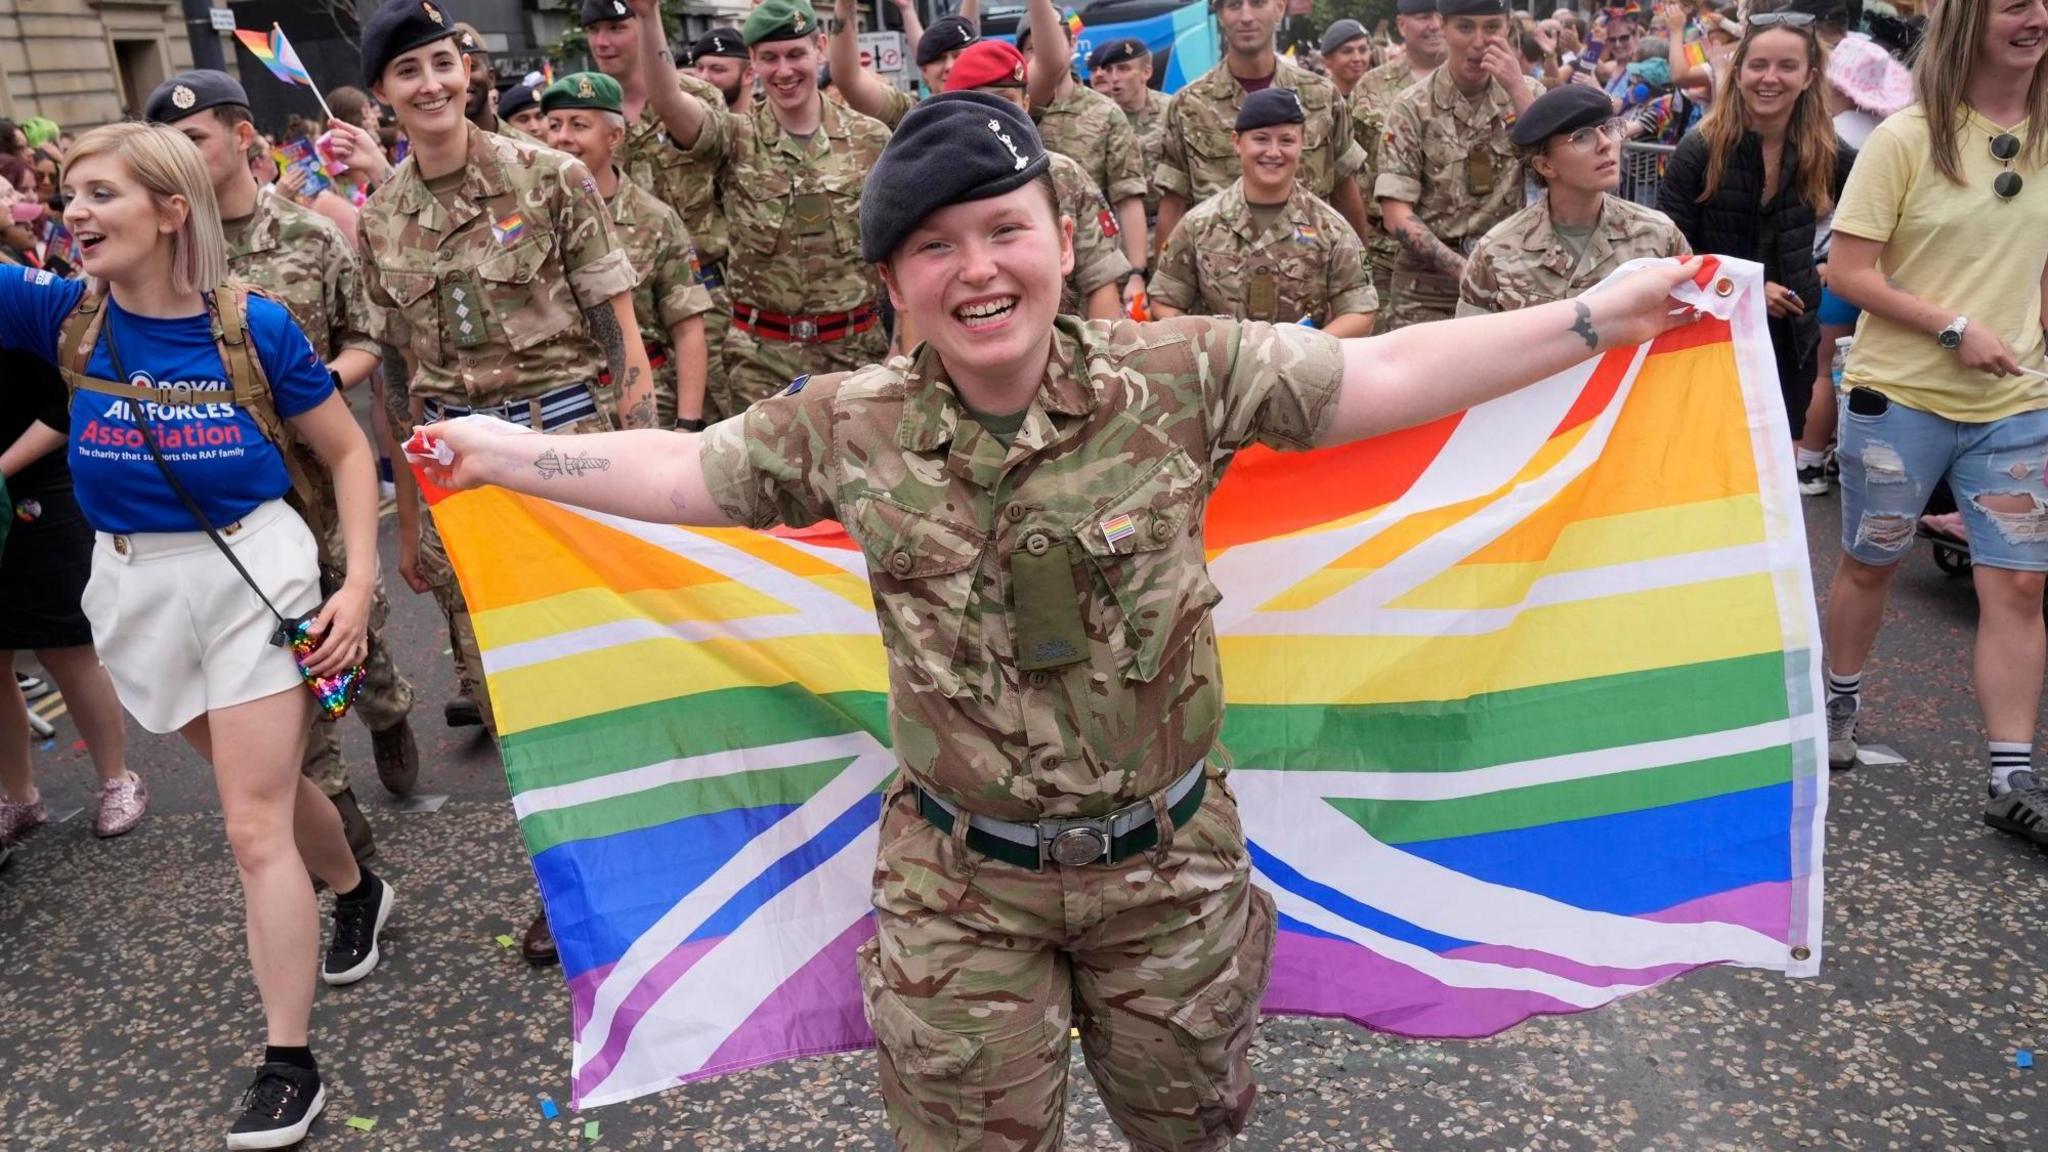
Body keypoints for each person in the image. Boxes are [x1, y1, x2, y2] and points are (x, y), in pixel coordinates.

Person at [412, 90, 1700, 1152]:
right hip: (961, 889)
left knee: (1192, 1131)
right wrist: (501, 452)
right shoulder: (843, 423)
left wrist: (1599, 317)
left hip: (1171, 875)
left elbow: (1388, 372)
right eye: (934, 247)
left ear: (1062, 238)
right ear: (892, 285)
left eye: (1002, 229)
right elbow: (681, 477)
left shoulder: (1178, 372)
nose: (976, 269)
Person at [4, 121, 391, 1148]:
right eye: (65, 194)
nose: (73, 212)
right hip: (130, 584)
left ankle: (288, 1063)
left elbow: (350, 455)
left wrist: (353, 585)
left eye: (100, 194)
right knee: (249, 779)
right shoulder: (62, 318)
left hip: (253, 572)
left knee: (250, 824)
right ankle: (358, 883)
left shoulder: (253, 326)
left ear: (170, 209)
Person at [354, 0, 654, 966]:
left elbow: (626, 347)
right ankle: (562, 887)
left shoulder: (553, 176)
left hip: (570, 466)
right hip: (462, 498)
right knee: (509, 700)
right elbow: (397, 385)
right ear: (386, 96)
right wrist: (408, 522)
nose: (431, 85)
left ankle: (632, 864)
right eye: (409, 73)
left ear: (468, 71)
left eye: (442, 64)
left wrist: (645, 480)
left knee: (602, 680)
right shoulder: (381, 219)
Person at [147, 70, 424, 859]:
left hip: (321, 483)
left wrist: (312, 388)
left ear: (242, 139)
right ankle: (331, 798)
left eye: (193, 139)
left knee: (349, 625)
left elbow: (371, 339)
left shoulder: (310, 236)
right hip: (228, 495)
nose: (179, 156)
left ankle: (387, 705)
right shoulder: (162, 256)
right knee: (276, 647)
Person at [1819, 0, 2048, 841]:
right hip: (1900, 394)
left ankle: (2013, 777)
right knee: (1872, 561)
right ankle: (1839, 703)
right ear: (1969, 21)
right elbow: (1849, 269)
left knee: (2021, 585)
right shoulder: (1907, 137)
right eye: (2016, 5)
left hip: (2016, 399)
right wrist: (1954, 327)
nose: (2038, 18)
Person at [629, 0, 892, 417]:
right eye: (769, 58)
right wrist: (648, 17)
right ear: (753, 61)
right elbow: (668, 101)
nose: (784, 71)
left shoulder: (871, 138)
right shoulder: (735, 138)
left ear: (819, 48)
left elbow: (899, 247)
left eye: (795, 54)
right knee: (766, 480)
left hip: (857, 352)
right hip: (762, 359)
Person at [1656, 9, 1849, 442]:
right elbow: (1667, 248)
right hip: (1709, 333)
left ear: (1808, 76)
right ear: (1738, 71)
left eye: (1787, 66)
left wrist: (1835, 268)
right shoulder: (1701, 148)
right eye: (1759, 64)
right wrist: (1742, 288)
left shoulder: (1826, 150)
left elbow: (1883, 212)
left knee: (1778, 467)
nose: (1770, 78)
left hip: (1790, 339)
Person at [1, 350, 140, 849]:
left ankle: (117, 779)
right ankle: (19, 796)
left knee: (67, 648)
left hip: (40, 489)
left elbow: (62, 407)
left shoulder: (13, 301)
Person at [581, 0, 736, 419]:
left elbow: (717, 161)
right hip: (630, 313)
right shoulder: (582, 112)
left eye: (615, 27)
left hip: (707, 300)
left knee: (726, 436)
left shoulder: (696, 96)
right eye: (593, 30)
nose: (602, 41)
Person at [542, 71, 714, 429]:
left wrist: (687, 424)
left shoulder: (654, 218)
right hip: (564, 412)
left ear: (614, 136)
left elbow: (688, 326)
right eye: (555, 124)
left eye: (578, 125)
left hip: (646, 404)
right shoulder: (533, 217)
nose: (563, 138)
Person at [930, 39, 1131, 320]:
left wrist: (1101, 361)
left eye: (1004, 100)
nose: (992, 114)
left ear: (1025, 104)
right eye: (977, 101)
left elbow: (1101, 281)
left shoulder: (1063, 175)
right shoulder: (930, 183)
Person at [1151, 88, 1378, 335]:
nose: (1273, 152)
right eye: (1261, 139)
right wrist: (1211, 347)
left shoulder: (1330, 227)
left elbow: (1360, 309)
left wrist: (1304, 353)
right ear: (1237, 143)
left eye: (1286, 140)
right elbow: (1166, 300)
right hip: (1221, 370)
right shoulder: (1199, 224)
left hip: (1301, 371)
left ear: (1302, 143)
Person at [1376, 0, 1543, 330]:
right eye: (1465, 27)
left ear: (1508, 27)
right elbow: (1396, 212)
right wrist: (1463, 268)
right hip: (1428, 291)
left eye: (1492, 27)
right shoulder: (1412, 107)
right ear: (1443, 26)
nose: (1479, 42)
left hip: (1508, 281)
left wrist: (1516, 88)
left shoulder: (1528, 94)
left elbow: (1553, 169)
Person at [1156, 0, 1370, 250]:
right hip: (1221, 275)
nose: (1246, 16)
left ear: (1279, 8)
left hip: (1309, 270)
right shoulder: (1188, 105)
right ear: (1221, 15)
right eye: (1234, 5)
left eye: (1257, 3)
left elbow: (1345, 191)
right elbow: (1174, 204)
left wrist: (1364, 273)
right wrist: (1163, 287)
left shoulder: (1322, 97)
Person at [1459, 84, 1689, 315]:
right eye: (1582, 137)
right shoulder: (1497, 252)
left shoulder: (1659, 235)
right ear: (1545, 165)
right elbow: (1470, 345)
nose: (1606, 144)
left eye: (1609, 128)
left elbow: (1691, 333)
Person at [1019, 0, 1148, 306]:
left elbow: (1127, 198)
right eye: (1030, 49)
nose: (1039, 54)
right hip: (1034, 274)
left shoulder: (1105, 114)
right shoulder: (1019, 114)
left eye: (1046, 43)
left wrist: (1136, 273)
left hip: (1095, 275)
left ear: (1071, 43)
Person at [1352, 0, 1451, 313]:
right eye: (1423, 16)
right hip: (1388, 254)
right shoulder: (1371, 86)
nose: (1434, 25)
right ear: (1401, 25)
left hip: (1463, 251)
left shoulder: (1474, 80)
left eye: (1440, 16)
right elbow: (1351, 172)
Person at [1087, 37, 1171, 240]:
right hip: (1123, 238)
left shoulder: (1172, 110)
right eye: (1109, 70)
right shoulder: (1095, 120)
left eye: (1123, 69)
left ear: (1146, 72)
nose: (1114, 78)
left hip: (1170, 229)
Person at [691, 26, 754, 113]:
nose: (703, 77)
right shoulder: (683, 124)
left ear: (748, 74)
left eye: (717, 69)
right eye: (700, 68)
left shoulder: (773, 122)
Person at [914, 12, 979, 92]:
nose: (950, 66)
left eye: (959, 56)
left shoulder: (996, 102)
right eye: (938, 59)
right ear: (924, 71)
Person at [1322, 19, 1373, 99]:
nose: (1357, 58)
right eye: (1347, 51)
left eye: (1363, 50)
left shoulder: (1383, 96)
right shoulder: (1316, 99)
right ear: (1327, 60)